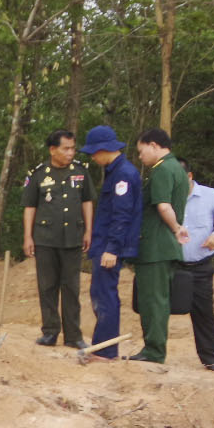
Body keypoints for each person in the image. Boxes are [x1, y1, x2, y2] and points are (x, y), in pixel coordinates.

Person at [21, 129, 95, 348]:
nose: (70, 153)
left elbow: (87, 202)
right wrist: (28, 236)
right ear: (53, 150)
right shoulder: (38, 174)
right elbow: (30, 206)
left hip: (72, 237)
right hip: (45, 238)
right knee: (47, 286)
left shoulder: (81, 171)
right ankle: (50, 332)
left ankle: (73, 336)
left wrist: (89, 231)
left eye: (73, 148)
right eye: (66, 148)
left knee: (71, 288)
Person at [129, 129, 190, 364]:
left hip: (155, 246)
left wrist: (176, 228)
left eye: (141, 151)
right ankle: (153, 348)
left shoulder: (163, 169)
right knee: (157, 299)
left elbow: (163, 206)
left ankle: (154, 351)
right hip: (163, 247)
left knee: (152, 300)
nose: (140, 157)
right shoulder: (177, 168)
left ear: (153, 145)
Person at [82, 125, 142, 362]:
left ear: (104, 149)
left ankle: (106, 352)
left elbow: (122, 215)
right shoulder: (114, 171)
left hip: (110, 246)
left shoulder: (123, 175)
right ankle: (102, 347)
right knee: (99, 293)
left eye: (94, 153)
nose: (93, 158)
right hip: (103, 242)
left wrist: (112, 248)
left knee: (105, 295)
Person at [180, 163, 214, 372]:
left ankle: (210, 357)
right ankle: (154, 353)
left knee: (203, 311)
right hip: (172, 264)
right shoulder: (166, 197)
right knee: (158, 307)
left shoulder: (210, 195)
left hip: (200, 265)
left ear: (190, 176)